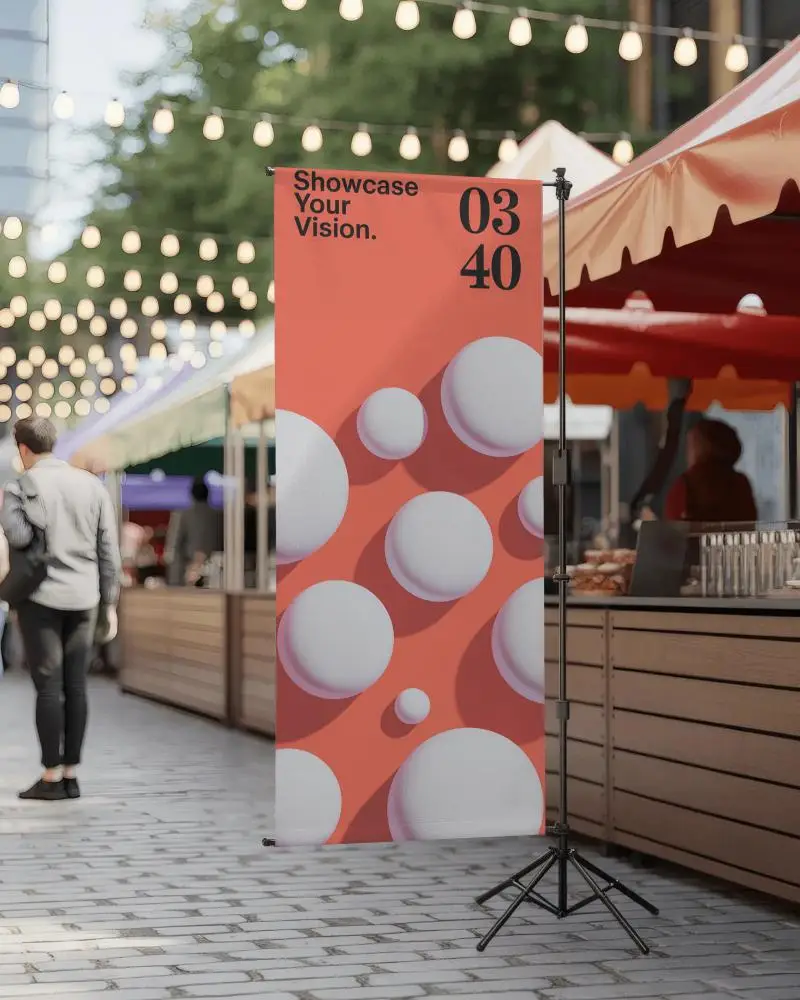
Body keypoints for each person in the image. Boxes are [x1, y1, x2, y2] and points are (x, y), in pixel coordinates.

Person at [0, 416, 121, 801]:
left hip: (42, 599)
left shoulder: (22, 486)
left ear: (22, 449)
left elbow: (18, 537)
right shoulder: (91, 485)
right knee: (77, 685)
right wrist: (110, 601)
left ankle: (51, 776)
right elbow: (109, 552)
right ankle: (71, 775)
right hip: (85, 597)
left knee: (48, 688)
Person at [663, 418, 757, 523]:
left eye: (690, 446)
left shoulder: (685, 484)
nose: (687, 455)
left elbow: (672, 529)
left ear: (701, 447)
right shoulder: (741, 483)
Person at [175, 476, 223, 586]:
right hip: (215, 565)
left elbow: (176, 544)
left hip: (191, 566)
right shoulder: (218, 515)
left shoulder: (183, 515)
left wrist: (175, 578)